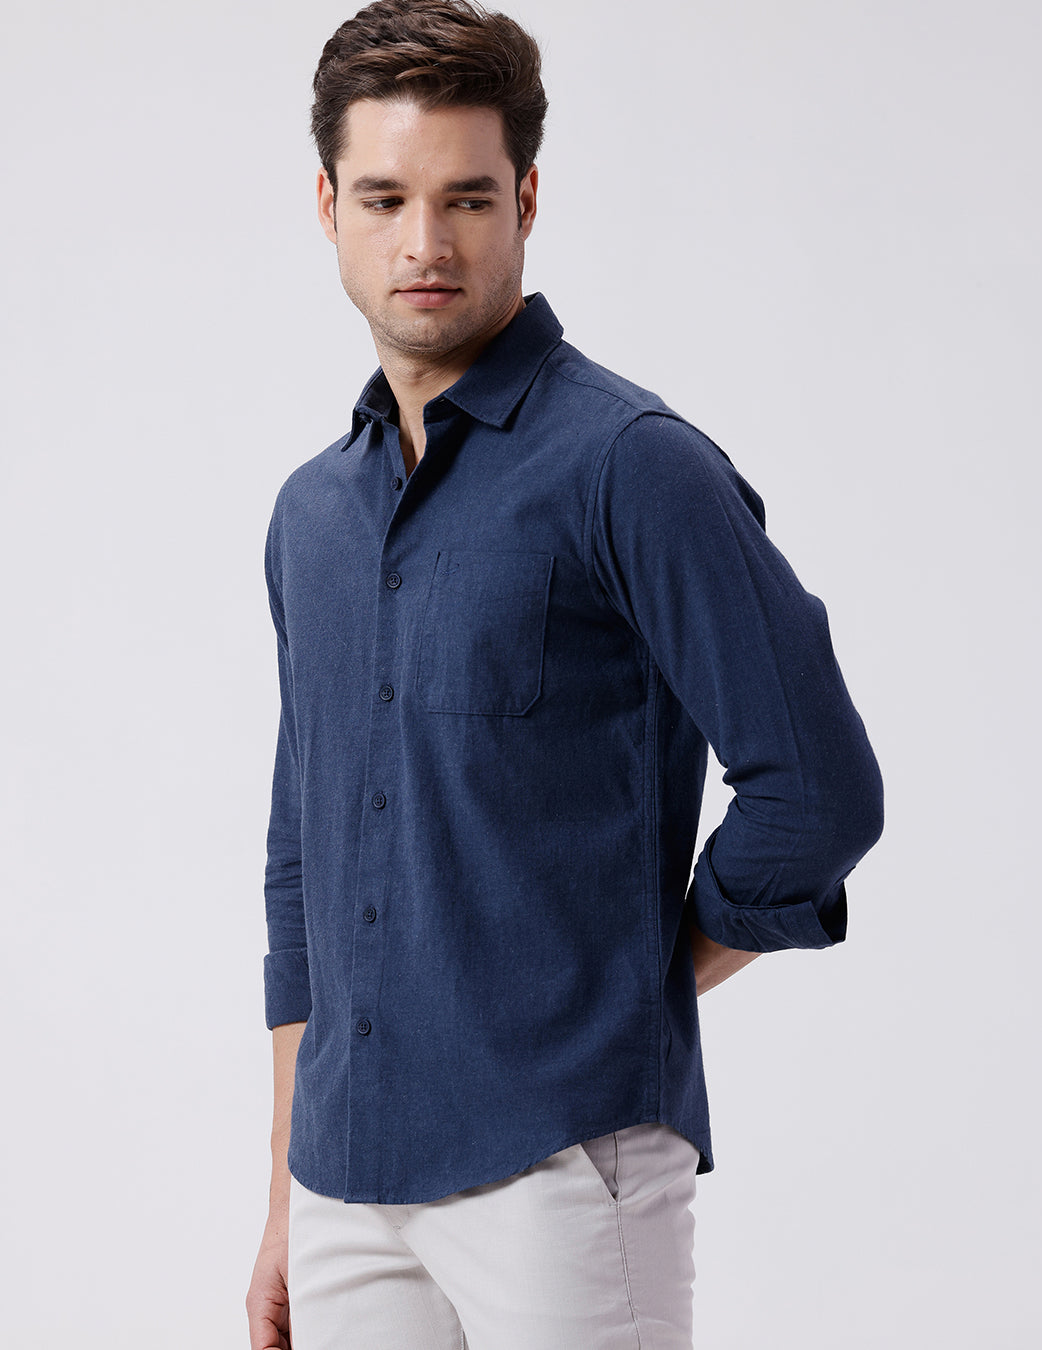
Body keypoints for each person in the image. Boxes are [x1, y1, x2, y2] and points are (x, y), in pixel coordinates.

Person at [245, 2, 884, 1346]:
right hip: (344, 1181)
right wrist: (284, 1195)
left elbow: (817, 788)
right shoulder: (312, 514)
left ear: (527, 200)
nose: (426, 243)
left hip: (561, 1165)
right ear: (328, 207)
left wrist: (638, 975)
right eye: (387, 198)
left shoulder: (632, 465)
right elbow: (302, 860)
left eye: (469, 198)